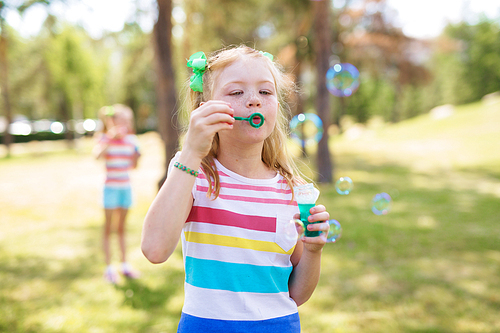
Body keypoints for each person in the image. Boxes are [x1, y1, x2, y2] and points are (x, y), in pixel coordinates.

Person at [141, 46, 331, 332]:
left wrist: (314, 252)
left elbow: (296, 294)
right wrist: (191, 151)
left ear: (276, 106)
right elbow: (154, 250)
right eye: (236, 93)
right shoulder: (193, 173)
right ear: (205, 106)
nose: (253, 100)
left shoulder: (293, 190)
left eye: (265, 92)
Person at [94, 104, 141, 284]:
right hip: (110, 188)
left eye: (128, 120)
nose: (126, 123)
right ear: (113, 121)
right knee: (108, 228)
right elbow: (97, 156)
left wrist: (137, 156)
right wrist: (109, 138)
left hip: (125, 188)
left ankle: (124, 265)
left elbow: (134, 166)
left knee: (122, 228)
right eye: (122, 120)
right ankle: (108, 267)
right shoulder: (105, 138)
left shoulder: (132, 141)